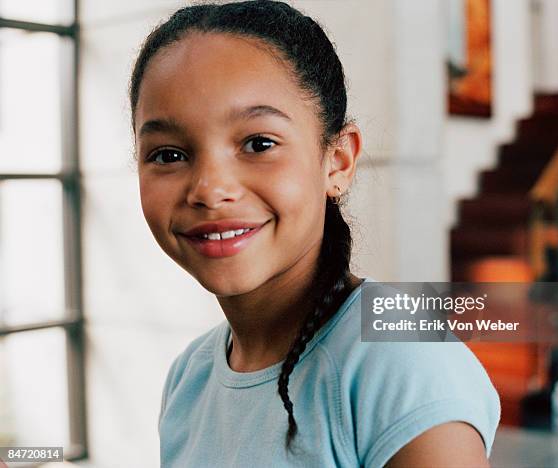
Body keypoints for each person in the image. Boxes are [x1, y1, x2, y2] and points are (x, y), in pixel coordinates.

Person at [128, 1, 501, 466]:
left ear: (338, 161)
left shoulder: (403, 359)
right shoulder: (189, 377)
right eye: (167, 154)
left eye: (258, 144)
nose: (210, 190)